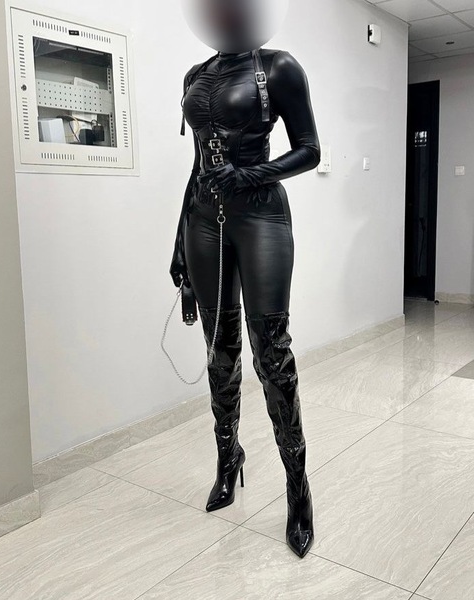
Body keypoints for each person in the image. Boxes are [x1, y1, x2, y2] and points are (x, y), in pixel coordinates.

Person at [169, 0, 320, 559]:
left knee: (271, 352)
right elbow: (197, 166)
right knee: (219, 349)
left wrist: (249, 173)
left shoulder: (277, 66)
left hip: (261, 216)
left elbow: (309, 150)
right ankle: (228, 457)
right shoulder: (196, 74)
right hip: (203, 221)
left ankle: (297, 487)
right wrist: (178, 242)